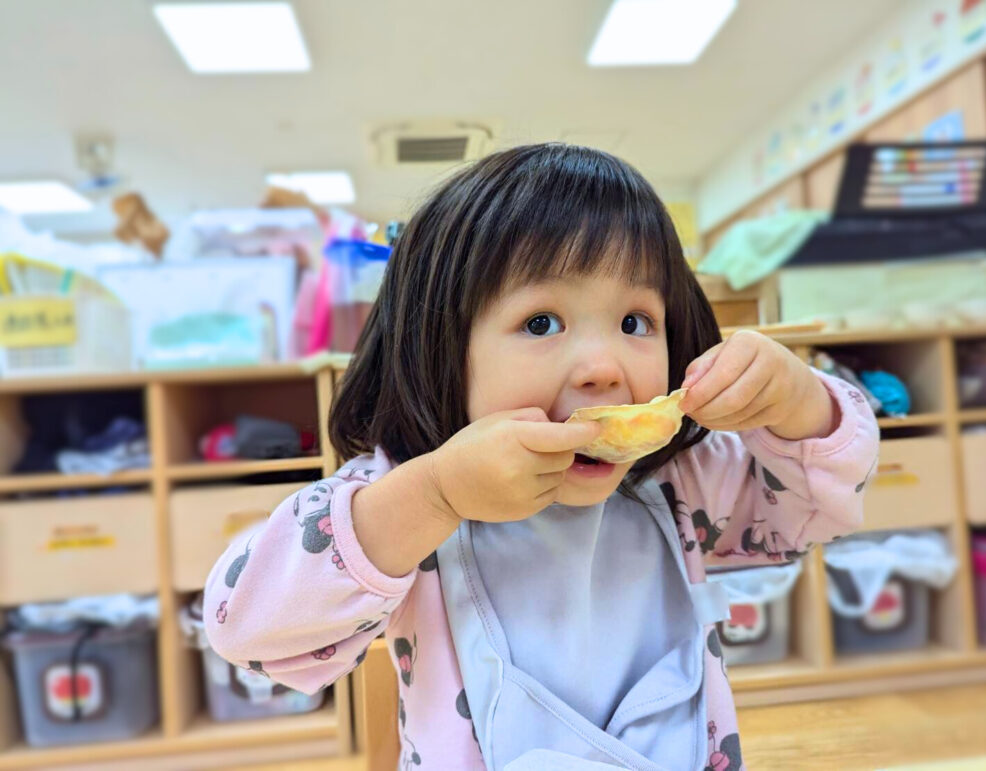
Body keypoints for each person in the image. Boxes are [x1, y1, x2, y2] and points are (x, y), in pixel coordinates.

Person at [204, 144, 878, 771]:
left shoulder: (680, 485)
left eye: (635, 322)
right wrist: (433, 493)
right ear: (438, 347)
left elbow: (814, 509)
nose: (603, 368)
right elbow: (248, 630)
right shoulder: (402, 499)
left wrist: (797, 402)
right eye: (541, 323)